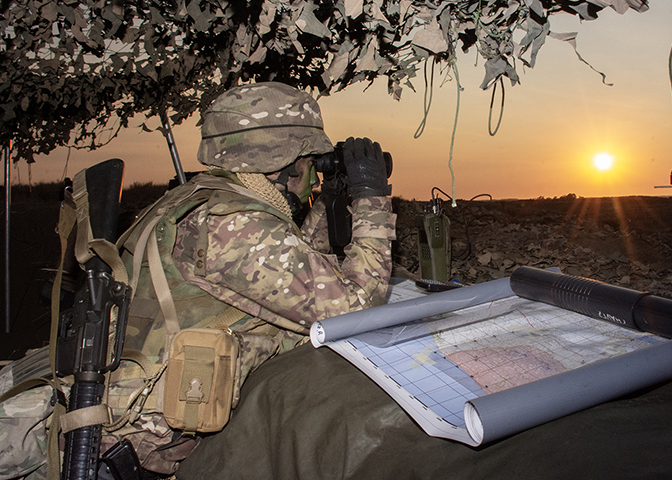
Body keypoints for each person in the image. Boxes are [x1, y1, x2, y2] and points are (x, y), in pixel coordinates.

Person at [0, 82, 396, 478]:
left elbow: (287, 273)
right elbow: (356, 308)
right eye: (312, 163)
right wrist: (371, 196)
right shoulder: (234, 224)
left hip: (114, 411)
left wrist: (331, 199)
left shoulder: (201, 199)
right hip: (126, 441)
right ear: (291, 163)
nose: (313, 173)